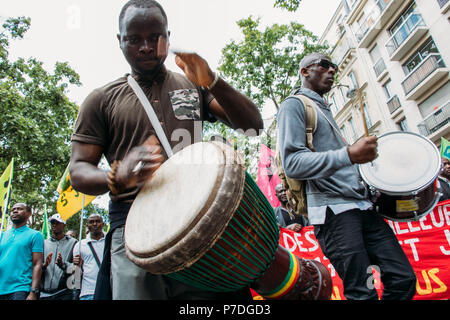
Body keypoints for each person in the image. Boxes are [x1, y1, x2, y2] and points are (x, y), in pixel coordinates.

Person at [69, 0, 262, 300]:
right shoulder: (101, 100)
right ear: (119, 40)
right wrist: (116, 177)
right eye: (134, 39)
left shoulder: (194, 85)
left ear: (168, 38)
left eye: (155, 37)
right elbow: (78, 171)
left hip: (199, 221)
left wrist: (213, 81)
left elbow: (252, 125)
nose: (146, 46)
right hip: (134, 230)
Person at [277, 52, 417, 300]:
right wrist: (350, 154)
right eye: (324, 65)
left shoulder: (324, 109)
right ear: (305, 72)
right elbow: (293, 163)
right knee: (363, 292)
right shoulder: (294, 105)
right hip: (334, 214)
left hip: (363, 209)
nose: (332, 70)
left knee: (402, 277)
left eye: (335, 66)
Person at [0, 203, 43, 300]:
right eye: (13, 209)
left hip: (20, 288)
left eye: (19, 209)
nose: (15, 211)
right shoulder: (2, 235)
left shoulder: (35, 235)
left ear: (29, 214)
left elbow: (37, 264)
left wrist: (33, 292)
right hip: (1, 288)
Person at [40, 213, 78, 300]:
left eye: (57, 223)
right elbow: (37, 266)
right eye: (52, 223)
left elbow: (77, 268)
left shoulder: (73, 243)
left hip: (64, 292)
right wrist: (44, 265)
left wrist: (63, 264)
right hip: (44, 293)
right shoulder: (44, 243)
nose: (54, 225)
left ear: (64, 225)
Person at [73, 214, 106, 300]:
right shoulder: (79, 245)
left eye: (98, 221)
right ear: (87, 225)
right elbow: (76, 275)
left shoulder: (110, 241)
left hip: (108, 290)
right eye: (91, 222)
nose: (95, 224)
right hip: (88, 292)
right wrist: (76, 266)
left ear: (103, 224)